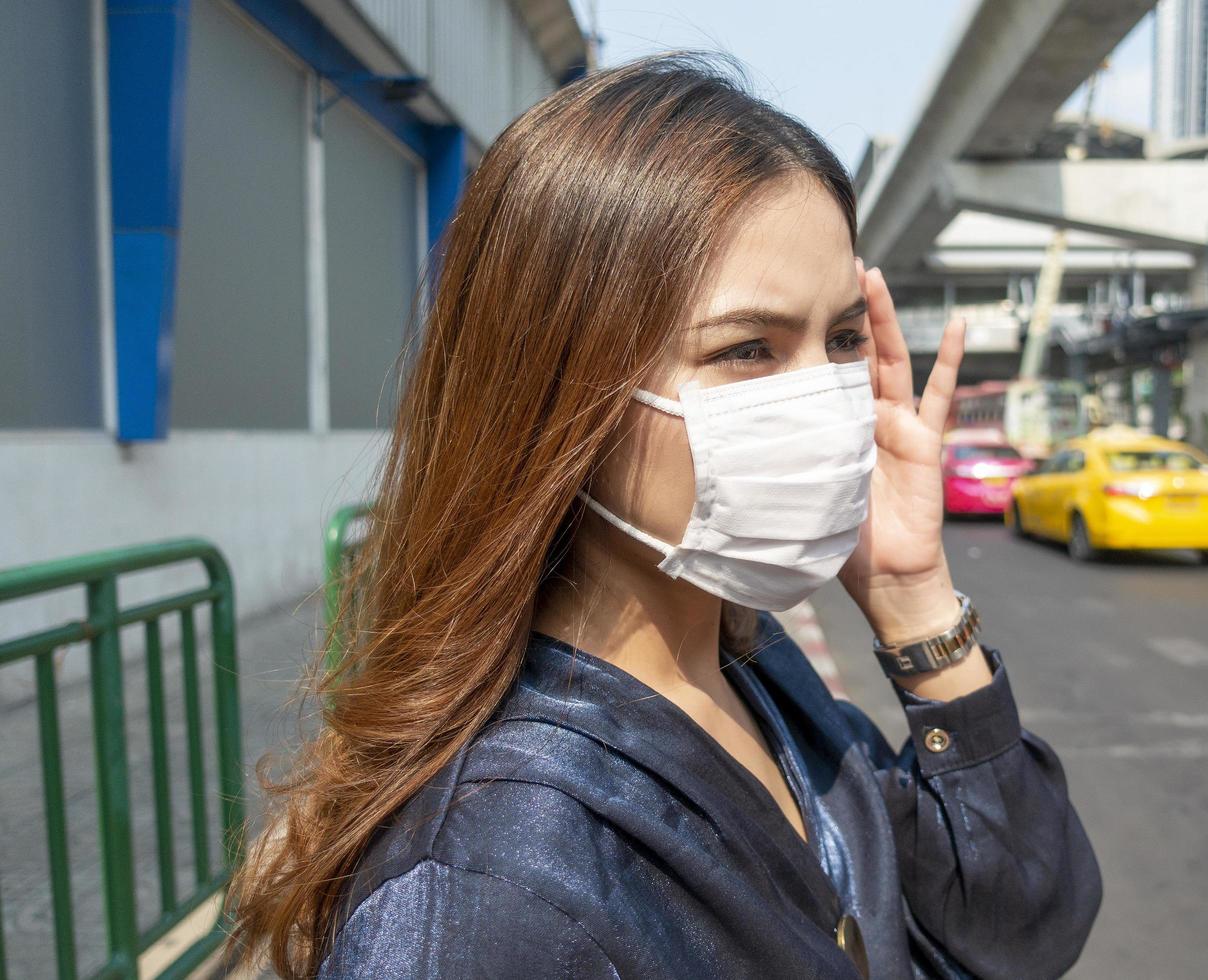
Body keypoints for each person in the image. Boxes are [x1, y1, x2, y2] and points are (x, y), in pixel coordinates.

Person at [225, 53, 1102, 979]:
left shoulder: (760, 672)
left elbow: (1019, 929)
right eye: (748, 349)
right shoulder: (495, 890)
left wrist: (913, 603)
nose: (824, 400)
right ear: (562, 390)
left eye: (844, 338)